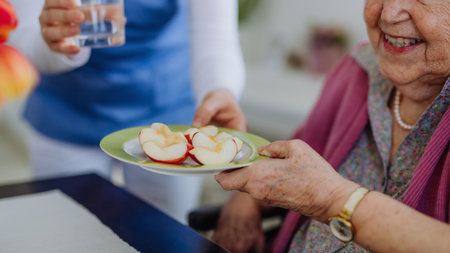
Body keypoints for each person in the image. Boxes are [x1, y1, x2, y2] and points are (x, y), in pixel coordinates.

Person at [213, 0, 450, 252]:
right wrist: (244, 201)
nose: (389, 13)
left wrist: (330, 198)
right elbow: (294, 158)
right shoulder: (358, 69)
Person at [7, 0, 246, 224]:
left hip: (167, 108)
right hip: (67, 111)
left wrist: (219, 89)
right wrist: (60, 44)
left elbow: (214, 32)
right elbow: (21, 36)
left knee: (162, 235)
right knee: (66, 230)